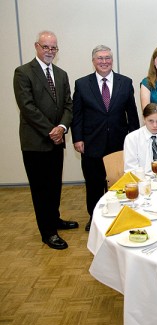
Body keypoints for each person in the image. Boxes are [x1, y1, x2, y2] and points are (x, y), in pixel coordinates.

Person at [13, 31, 77, 250]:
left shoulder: (61, 74)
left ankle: (54, 219)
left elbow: (68, 105)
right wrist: (50, 130)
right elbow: (27, 107)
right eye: (46, 47)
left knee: (54, 185)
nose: (50, 51)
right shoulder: (23, 72)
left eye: (54, 48)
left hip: (56, 140)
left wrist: (61, 128)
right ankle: (48, 232)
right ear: (36, 47)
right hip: (35, 142)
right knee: (41, 189)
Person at [72, 45, 140, 232]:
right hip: (91, 142)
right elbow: (76, 115)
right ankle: (94, 218)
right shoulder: (82, 84)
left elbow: (132, 115)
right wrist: (77, 138)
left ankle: (118, 214)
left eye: (107, 58)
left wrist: (134, 141)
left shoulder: (125, 82)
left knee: (117, 182)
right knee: (94, 183)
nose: (104, 61)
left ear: (112, 60)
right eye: (100, 58)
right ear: (93, 61)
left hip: (118, 143)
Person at [124, 103, 157, 174]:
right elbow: (131, 169)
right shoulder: (132, 139)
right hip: (141, 181)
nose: (155, 125)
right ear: (144, 119)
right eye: (150, 121)